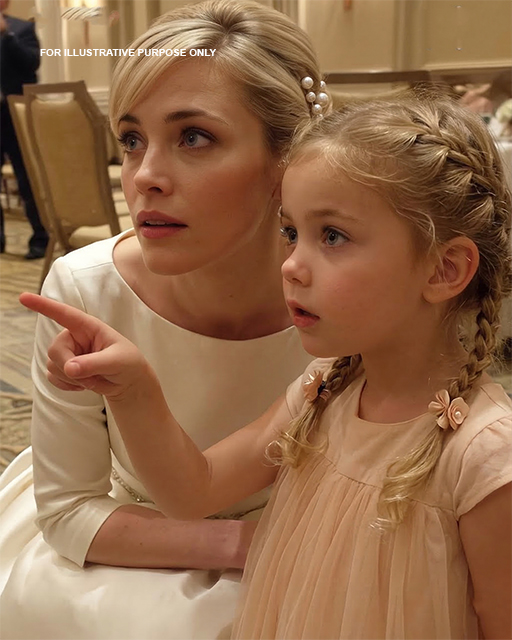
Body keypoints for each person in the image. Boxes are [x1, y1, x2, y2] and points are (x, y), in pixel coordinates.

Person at [22, 90, 512, 639]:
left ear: (445, 269)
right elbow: (192, 491)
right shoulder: (325, 386)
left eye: (332, 236)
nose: (292, 266)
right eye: (291, 233)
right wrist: (133, 390)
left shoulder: (483, 456)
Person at [0, 1, 324, 637]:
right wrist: (244, 544)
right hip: (125, 534)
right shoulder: (84, 289)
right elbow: (68, 511)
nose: (143, 176)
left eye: (193, 137)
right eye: (131, 140)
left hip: (315, 536)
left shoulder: (349, 301)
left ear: (287, 159)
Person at [0, 0, 49, 259]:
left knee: (27, 178)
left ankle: (40, 239)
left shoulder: (21, 29)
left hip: (15, 114)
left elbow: (31, 63)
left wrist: (6, 35)